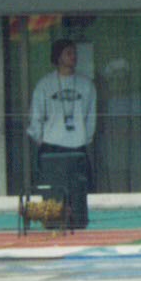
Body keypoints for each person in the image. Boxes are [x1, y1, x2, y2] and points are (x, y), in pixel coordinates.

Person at [27, 38, 97, 225]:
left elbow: (91, 116)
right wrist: (41, 139)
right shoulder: (45, 84)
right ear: (58, 57)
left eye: (75, 52)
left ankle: (78, 225)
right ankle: (53, 227)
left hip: (78, 145)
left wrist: (85, 138)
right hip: (52, 146)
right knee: (53, 194)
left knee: (78, 193)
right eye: (68, 53)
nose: (73, 56)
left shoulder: (86, 84)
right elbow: (36, 116)